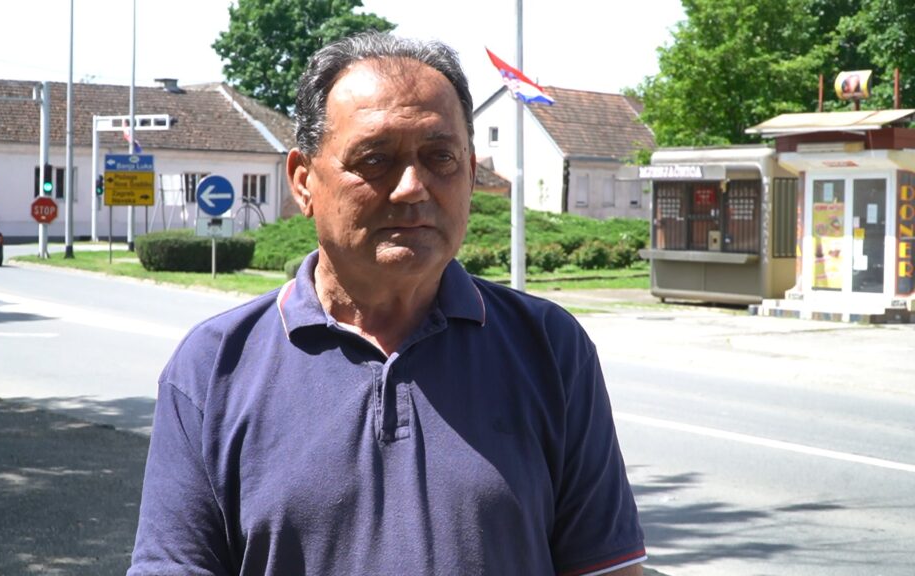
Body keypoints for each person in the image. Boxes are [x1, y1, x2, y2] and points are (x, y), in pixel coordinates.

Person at [128, 31, 646, 576]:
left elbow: (607, 569)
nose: (412, 187)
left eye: (440, 157)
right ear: (303, 182)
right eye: (375, 159)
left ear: (471, 175)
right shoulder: (213, 367)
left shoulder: (551, 349)